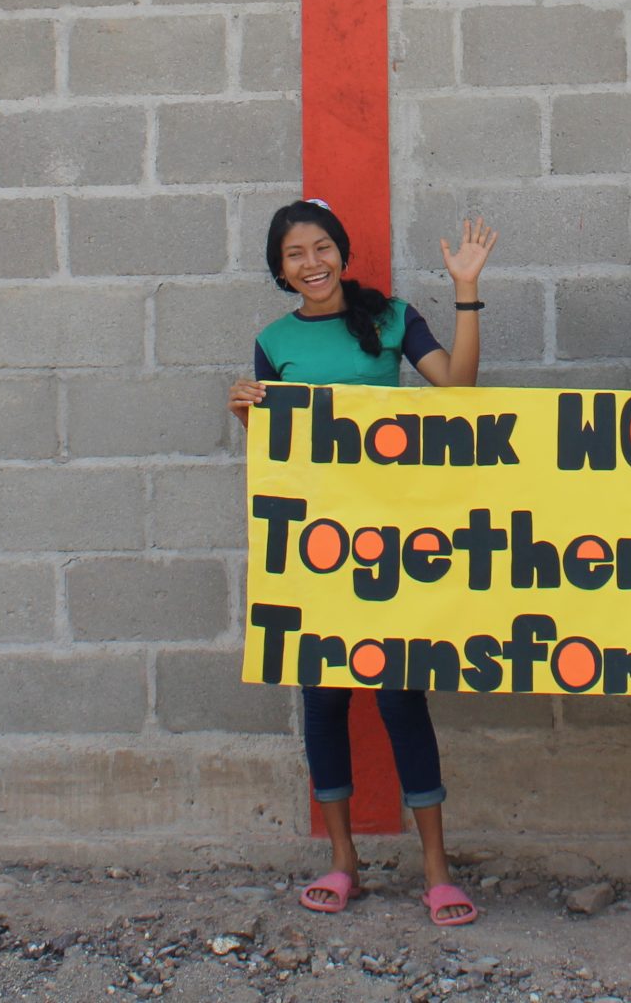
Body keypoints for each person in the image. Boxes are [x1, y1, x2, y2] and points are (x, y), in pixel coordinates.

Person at [227, 198, 499, 927]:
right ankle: (343, 860)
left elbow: (458, 391)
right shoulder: (271, 341)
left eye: (322, 248)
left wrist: (466, 290)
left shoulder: (393, 319)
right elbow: (278, 453)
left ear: (342, 253)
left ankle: (437, 868)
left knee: (400, 695)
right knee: (323, 697)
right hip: (315, 545)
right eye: (295, 254)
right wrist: (247, 413)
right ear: (280, 270)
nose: (311, 263)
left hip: (392, 540)